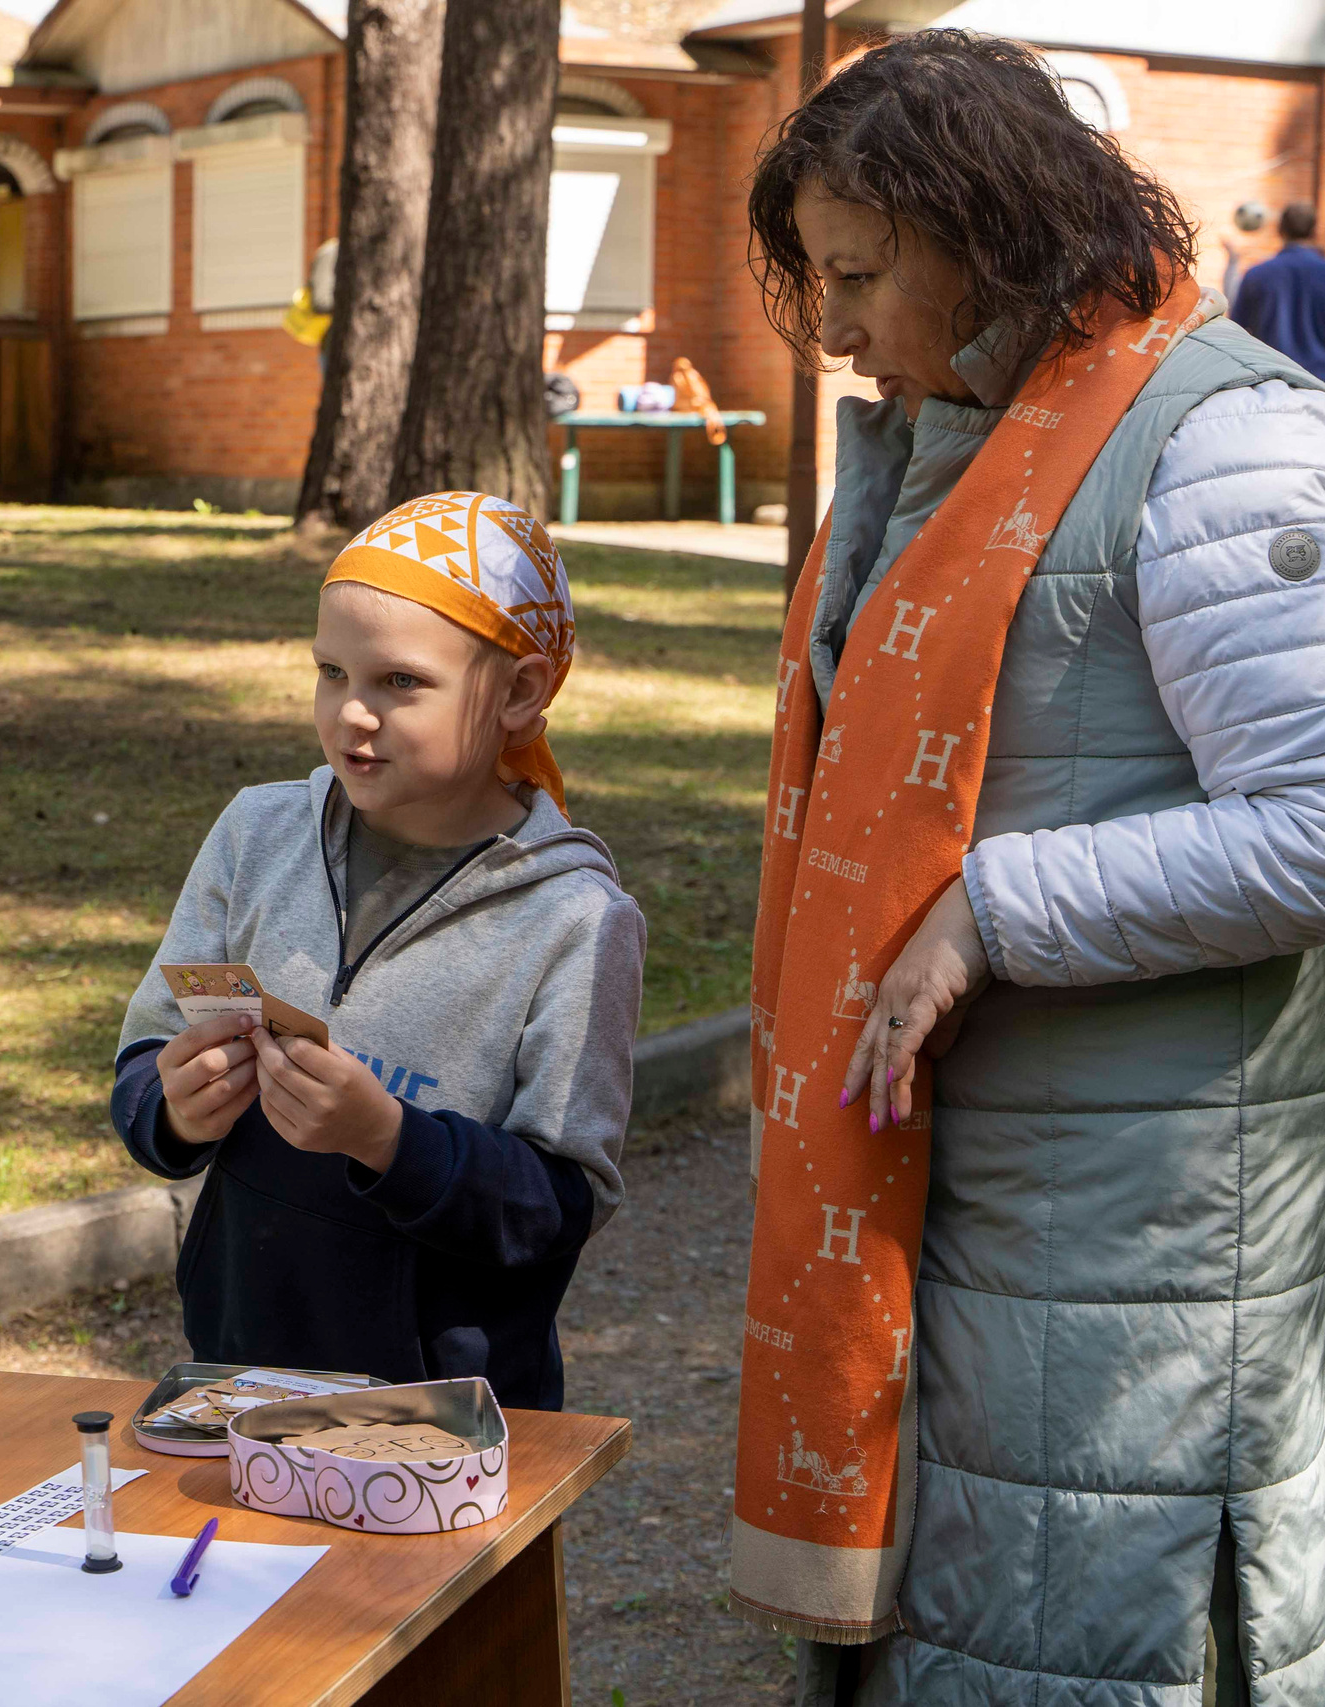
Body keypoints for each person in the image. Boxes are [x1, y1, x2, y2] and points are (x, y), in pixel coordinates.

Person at [737, 32, 1325, 1704]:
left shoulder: (1219, 442)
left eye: (860, 272)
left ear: (982, 228)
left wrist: (991, 913)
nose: (836, 328)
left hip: (1135, 1225)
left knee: (1092, 1636)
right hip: (990, 1186)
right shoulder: (963, 438)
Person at [108, 491, 644, 1407]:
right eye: (330, 672)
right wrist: (176, 1108)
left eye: (400, 682)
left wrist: (389, 1141)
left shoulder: (575, 919)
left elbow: (562, 1203)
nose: (352, 714)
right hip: (242, 1378)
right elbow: (144, 1062)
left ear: (520, 691)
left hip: (447, 1418)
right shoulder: (257, 832)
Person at [1229, 199, 1325, 377]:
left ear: (1280, 230)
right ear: (1314, 231)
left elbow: (1237, 329)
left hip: (1274, 382)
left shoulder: (1256, 275)